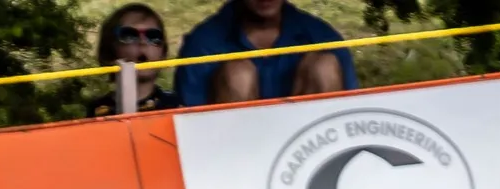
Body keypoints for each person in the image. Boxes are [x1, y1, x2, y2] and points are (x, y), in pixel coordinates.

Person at [174, 0, 356, 107]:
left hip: (307, 151)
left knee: (324, 66)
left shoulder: (322, 36)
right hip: (232, 151)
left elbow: (353, 112)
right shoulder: (202, 44)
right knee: (238, 74)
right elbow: (188, 127)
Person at [87, 6, 180, 116]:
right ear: (109, 49)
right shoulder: (98, 111)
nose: (142, 42)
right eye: (129, 35)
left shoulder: (177, 106)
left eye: (153, 36)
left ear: (163, 52)